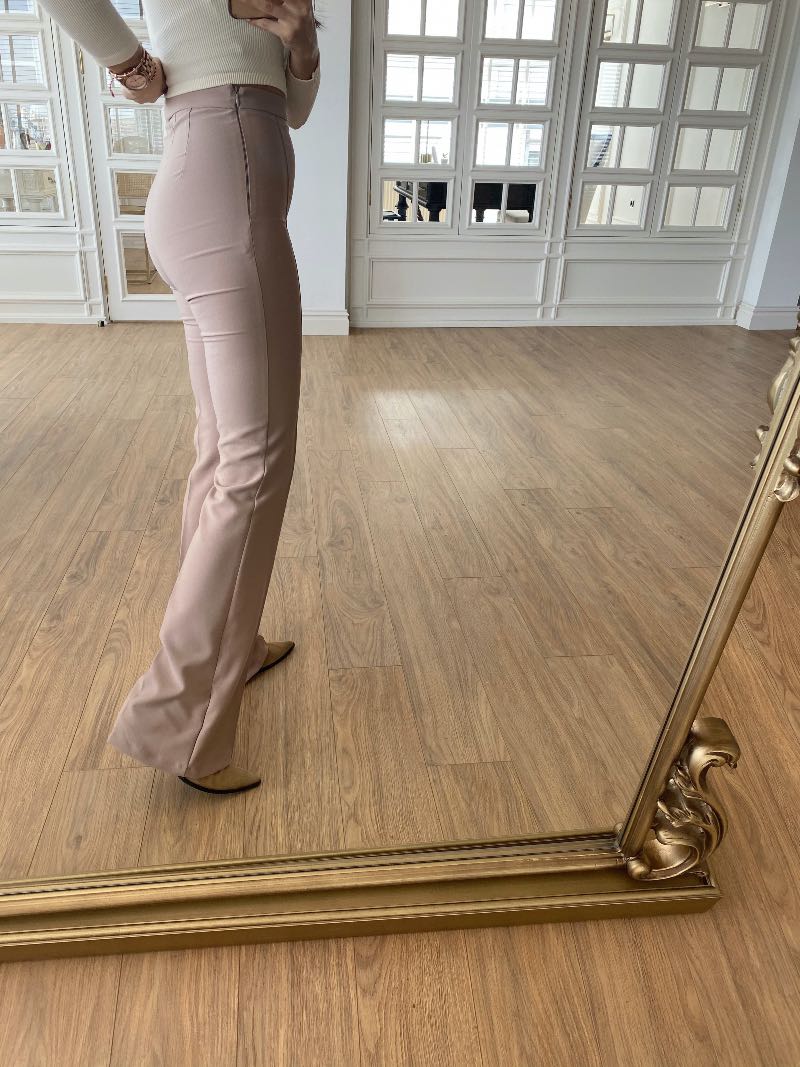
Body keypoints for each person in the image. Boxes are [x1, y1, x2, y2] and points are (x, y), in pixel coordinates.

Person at [35, 0, 322, 795]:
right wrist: (129, 63)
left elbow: (293, 110)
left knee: (224, 447)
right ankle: (181, 723)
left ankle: (233, 647)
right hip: (227, 196)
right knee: (254, 464)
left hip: (217, 191)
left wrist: (302, 48)